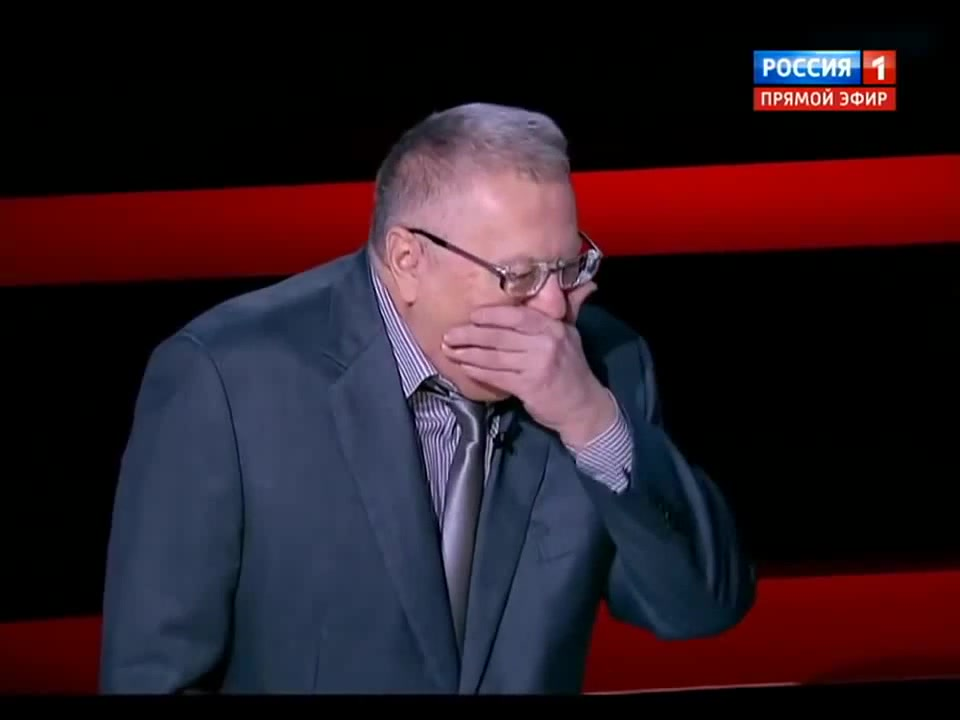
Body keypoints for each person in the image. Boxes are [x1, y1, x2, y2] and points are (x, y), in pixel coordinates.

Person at [99, 102, 755, 694]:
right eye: (520, 276)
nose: (555, 310)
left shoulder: (605, 367)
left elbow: (702, 609)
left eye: (568, 267)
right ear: (408, 260)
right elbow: (152, 675)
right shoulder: (226, 379)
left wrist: (593, 424)